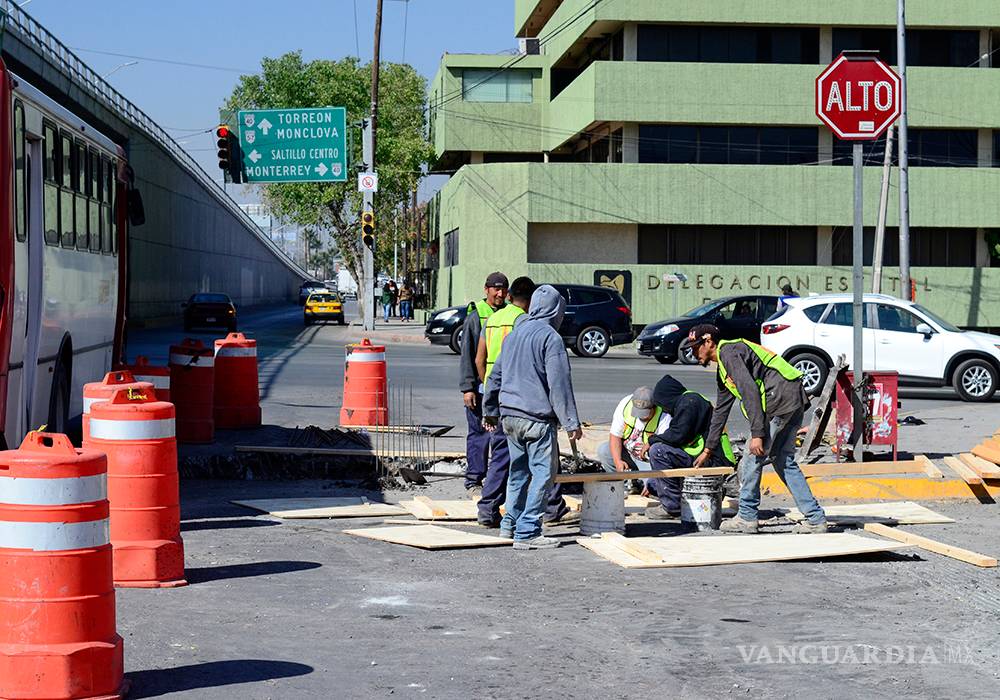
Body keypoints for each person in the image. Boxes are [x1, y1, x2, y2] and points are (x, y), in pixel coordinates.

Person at [686, 324, 828, 534]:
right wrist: (708, 449)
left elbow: (750, 391)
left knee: (752, 458)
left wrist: (757, 435)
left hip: (779, 400)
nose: (694, 353)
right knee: (784, 460)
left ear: (708, 342)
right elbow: (720, 412)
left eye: (696, 347)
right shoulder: (724, 371)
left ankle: (747, 517)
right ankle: (815, 519)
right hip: (791, 398)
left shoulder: (729, 353)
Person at [483, 285, 582, 550]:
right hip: (536, 420)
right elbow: (559, 383)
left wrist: (490, 411)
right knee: (542, 474)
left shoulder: (515, 335)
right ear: (555, 310)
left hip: (509, 417)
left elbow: (495, 376)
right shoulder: (550, 338)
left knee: (518, 472)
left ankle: (510, 525)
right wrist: (571, 422)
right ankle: (527, 531)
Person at [641, 375, 738, 519]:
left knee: (658, 451)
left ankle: (672, 507)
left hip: (712, 458)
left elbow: (678, 435)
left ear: (667, 398)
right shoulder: (689, 400)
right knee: (653, 484)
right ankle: (688, 498)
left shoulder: (689, 403)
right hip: (704, 456)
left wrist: (651, 441)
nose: (665, 410)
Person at [458, 272, 509, 497]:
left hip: (503, 388)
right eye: (495, 289)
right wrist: (468, 387)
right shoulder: (476, 315)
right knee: (479, 434)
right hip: (480, 387)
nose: (500, 293)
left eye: (503, 289)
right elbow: (468, 354)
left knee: (501, 436)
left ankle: (498, 481)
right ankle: (474, 480)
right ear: (486, 289)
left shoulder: (510, 314)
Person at [597, 386, 671, 495]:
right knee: (604, 450)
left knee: (654, 487)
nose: (641, 417)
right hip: (629, 453)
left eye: (645, 414)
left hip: (649, 462)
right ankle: (626, 484)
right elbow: (615, 435)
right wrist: (618, 461)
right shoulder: (625, 404)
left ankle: (645, 484)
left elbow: (664, 455)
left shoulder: (664, 416)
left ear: (654, 407)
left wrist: (654, 479)